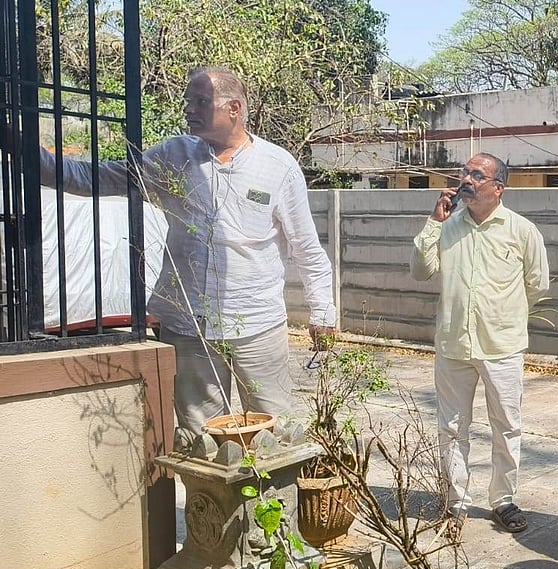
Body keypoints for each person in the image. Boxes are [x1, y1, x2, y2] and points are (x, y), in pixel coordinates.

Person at [40, 66, 336, 433]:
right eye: (188, 101)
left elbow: (307, 248)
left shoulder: (277, 167)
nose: (188, 109)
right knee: (202, 435)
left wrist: (323, 311)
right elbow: (99, 178)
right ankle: (207, 494)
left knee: (276, 429)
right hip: (188, 325)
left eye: (200, 101)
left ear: (234, 109)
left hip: (257, 327)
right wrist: (32, 157)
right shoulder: (174, 156)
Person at [412, 153, 550, 534]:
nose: (466, 180)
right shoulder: (446, 226)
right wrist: (432, 223)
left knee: (506, 426)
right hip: (454, 344)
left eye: (477, 175)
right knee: (451, 427)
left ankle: (503, 500)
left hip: (502, 347)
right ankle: (456, 502)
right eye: (464, 173)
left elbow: (537, 285)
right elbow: (420, 271)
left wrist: (502, 317)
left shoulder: (522, 231)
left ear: (498, 188)